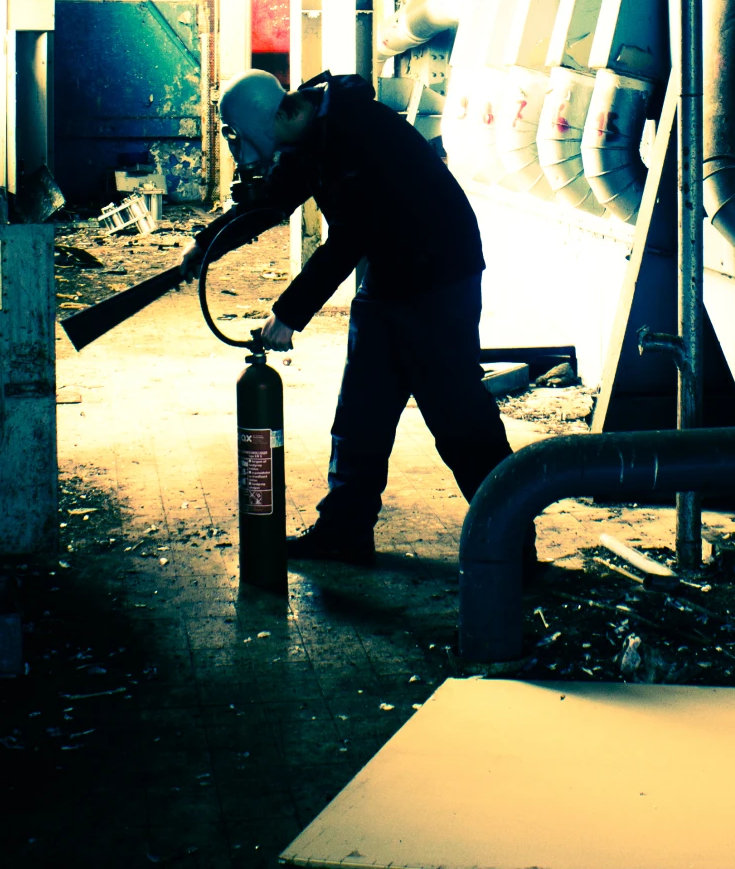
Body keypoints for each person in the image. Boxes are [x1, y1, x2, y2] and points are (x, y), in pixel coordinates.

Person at [187, 68, 512, 565]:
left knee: (458, 416)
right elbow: (270, 203)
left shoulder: (359, 131)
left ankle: (514, 540)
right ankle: (343, 532)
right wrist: (206, 245)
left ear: (270, 119)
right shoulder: (306, 134)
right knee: (360, 413)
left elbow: (348, 239)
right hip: (389, 272)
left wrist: (288, 314)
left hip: (439, 276)